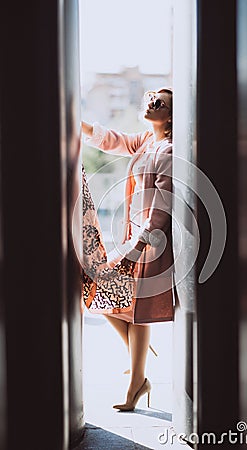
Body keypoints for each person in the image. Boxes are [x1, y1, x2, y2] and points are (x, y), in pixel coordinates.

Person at [81, 88, 174, 411]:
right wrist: (77, 125)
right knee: (112, 298)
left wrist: (137, 246)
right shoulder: (147, 141)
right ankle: (138, 363)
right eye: (150, 96)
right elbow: (112, 139)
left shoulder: (168, 150)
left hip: (149, 243)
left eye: (159, 102)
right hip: (134, 237)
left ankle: (137, 377)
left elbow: (161, 209)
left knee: (112, 294)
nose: (151, 102)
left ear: (171, 116)